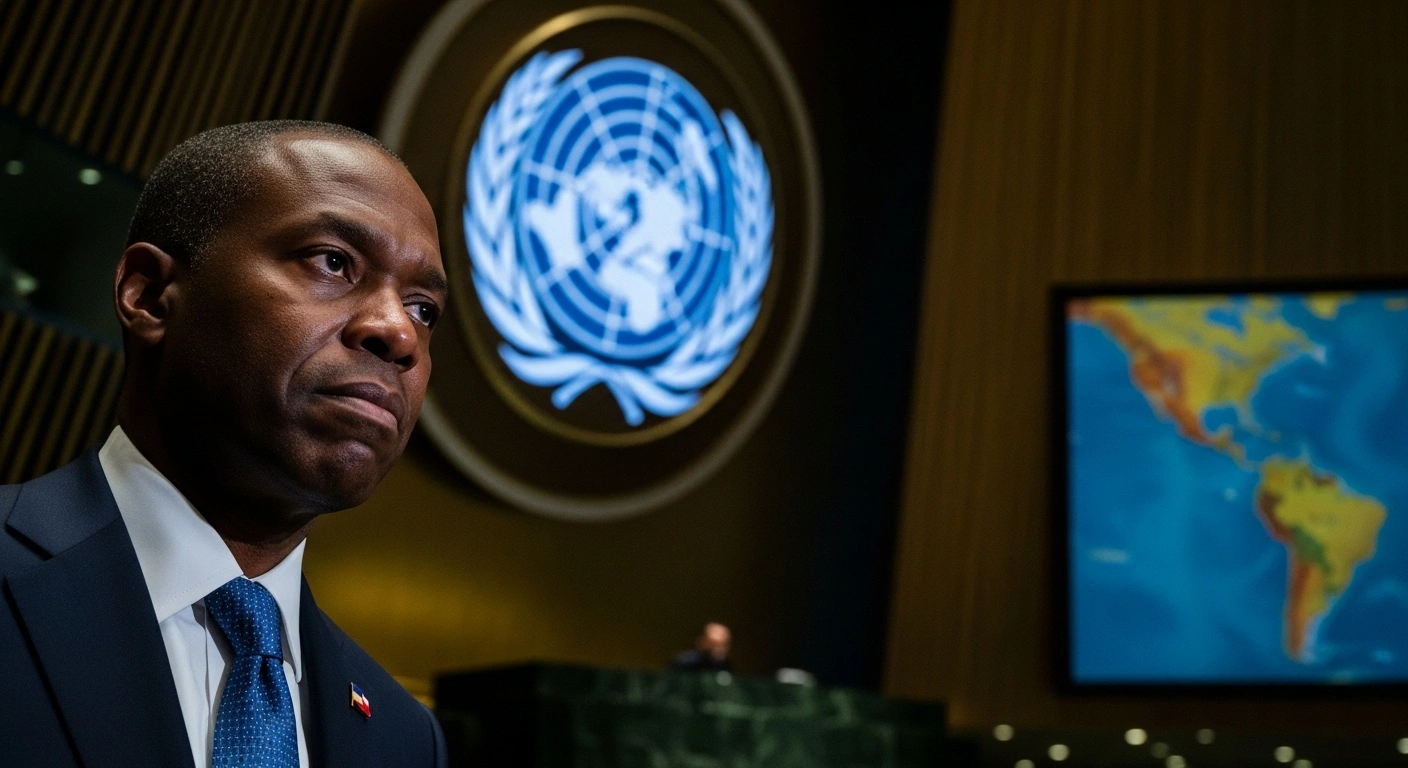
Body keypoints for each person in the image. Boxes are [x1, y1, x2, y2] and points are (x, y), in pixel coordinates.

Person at [0, 121, 450, 767]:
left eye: (423, 309)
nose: (397, 333)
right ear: (150, 295)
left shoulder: (405, 739)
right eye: (332, 261)